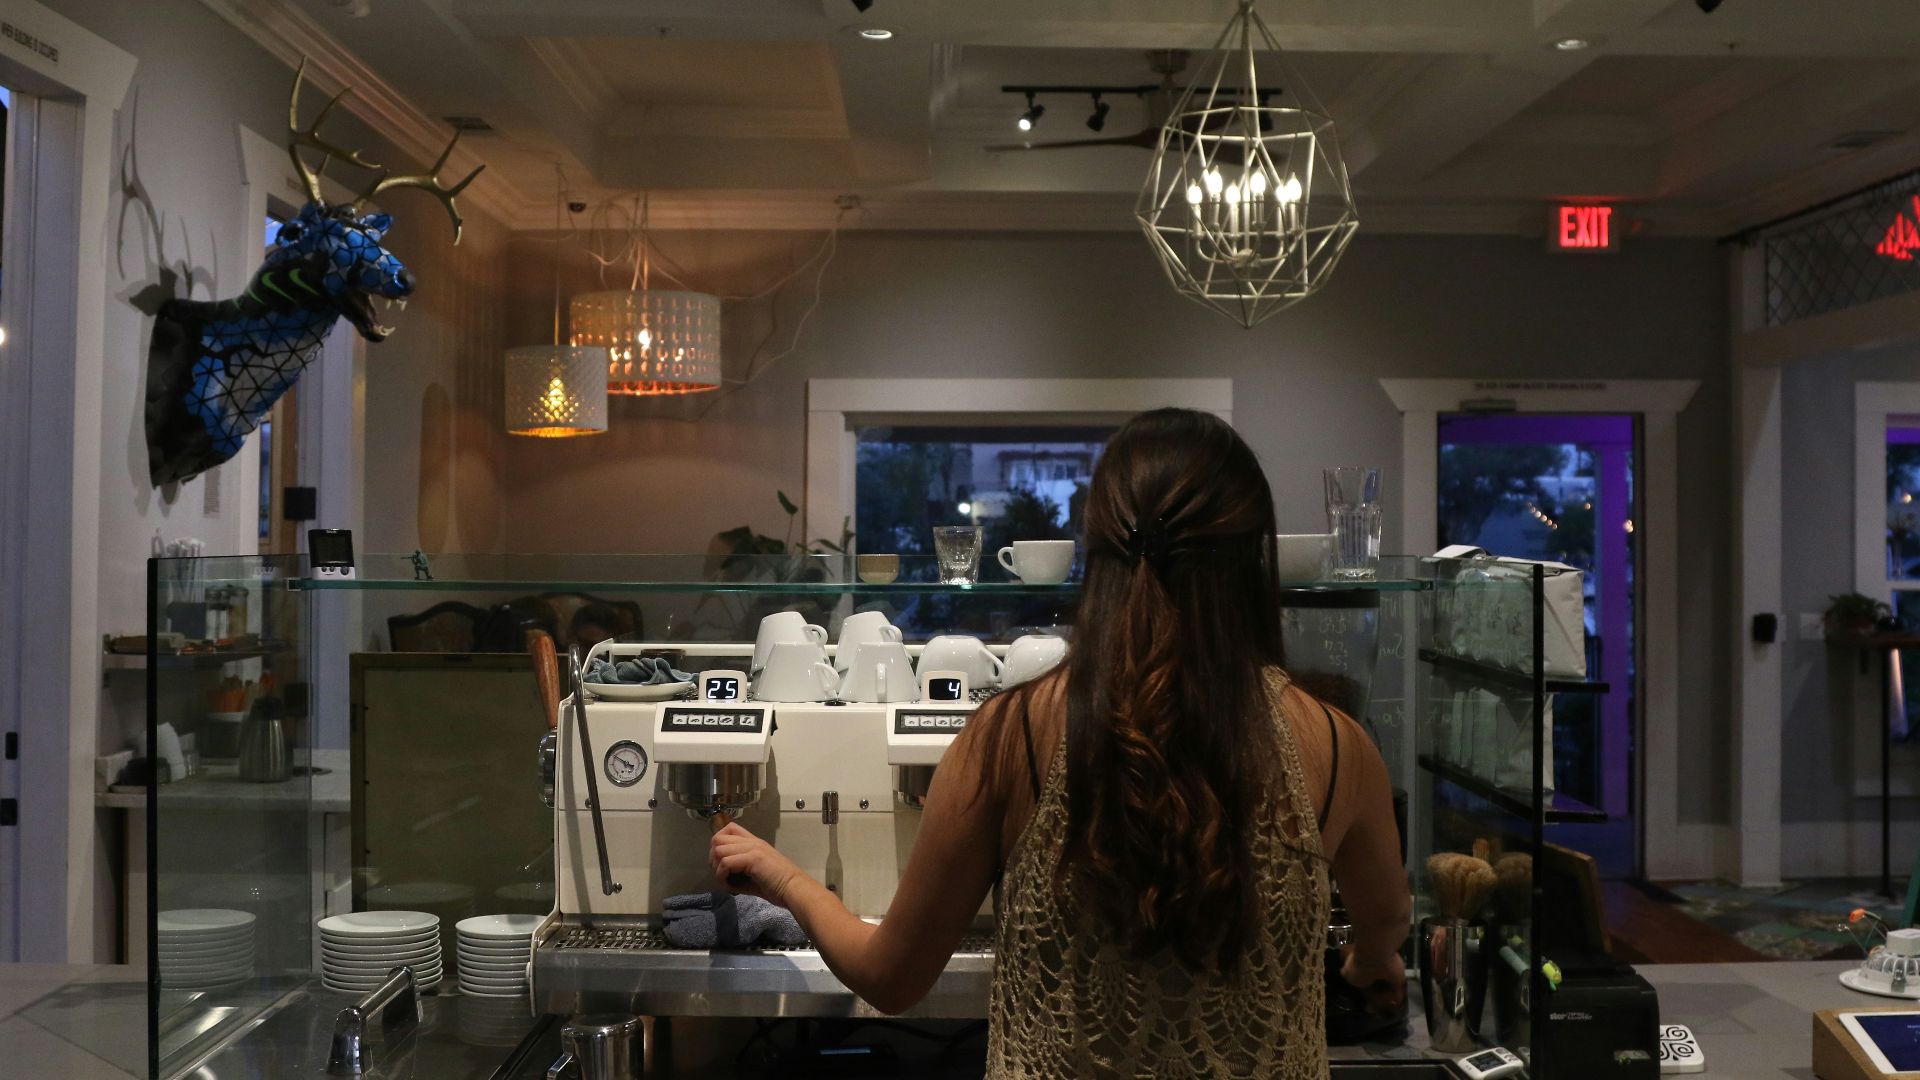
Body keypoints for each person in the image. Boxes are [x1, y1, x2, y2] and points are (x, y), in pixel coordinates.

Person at [711, 408, 1410, 1077]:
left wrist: (785, 877)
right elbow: (1384, 921)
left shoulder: (1011, 734)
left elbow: (890, 978)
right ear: (1252, 557)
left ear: (1098, 550)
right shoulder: (1341, 746)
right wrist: (1371, 962)